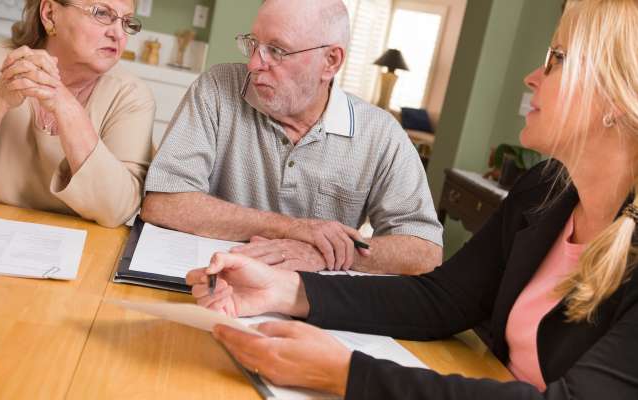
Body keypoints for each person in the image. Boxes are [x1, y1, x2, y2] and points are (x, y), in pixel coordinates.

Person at [186, 0, 638, 398]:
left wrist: (346, 374)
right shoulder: (544, 190)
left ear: (616, 95)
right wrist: (286, 289)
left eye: (556, 59)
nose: (533, 76)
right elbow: (442, 299)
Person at [141, 0, 442, 274]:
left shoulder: (380, 134)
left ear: (331, 62)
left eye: (277, 50)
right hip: (212, 279)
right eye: (254, 44)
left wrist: (326, 254)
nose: (254, 64)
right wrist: (291, 228)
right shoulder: (218, 89)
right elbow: (163, 202)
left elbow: (424, 251)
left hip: (311, 306)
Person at [0, 0, 154, 227]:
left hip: (77, 253)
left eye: (126, 21)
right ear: (50, 14)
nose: (118, 34)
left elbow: (117, 210)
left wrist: (66, 105)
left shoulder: (131, 95)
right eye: (101, 13)